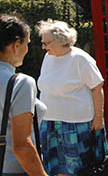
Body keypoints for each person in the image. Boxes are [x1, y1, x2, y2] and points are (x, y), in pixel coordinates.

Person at [36, 20, 106, 176]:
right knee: (54, 168)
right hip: (50, 123)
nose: (43, 47)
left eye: (46, 43)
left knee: (78, 168)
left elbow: (97, 88)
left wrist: (99, 116)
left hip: (76, 124)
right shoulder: (49, 57)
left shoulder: (80, 58)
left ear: (60, 40)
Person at [0, 15, 47, 176]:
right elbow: (21, 146)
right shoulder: (20, 83)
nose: (27, 49)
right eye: (26, 44)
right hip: (15, 169)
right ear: (16, 45)